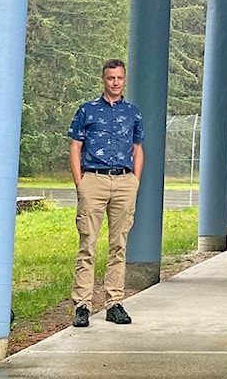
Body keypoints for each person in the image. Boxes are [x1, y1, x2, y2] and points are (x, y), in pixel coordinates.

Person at [67, 59, 144, 327]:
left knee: (118, 245)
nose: (115, 82)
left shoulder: (133, 113)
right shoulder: (87, 111)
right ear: (103, 79)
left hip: (124, 182)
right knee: (88, 244)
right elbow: (75, 146)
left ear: (124, 80)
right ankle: (82, 305)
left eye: (119, 78)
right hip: (94, 181)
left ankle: (114, 303)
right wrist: (81, 183)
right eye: (110, 78)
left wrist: (135, 180)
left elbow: (137, 148)